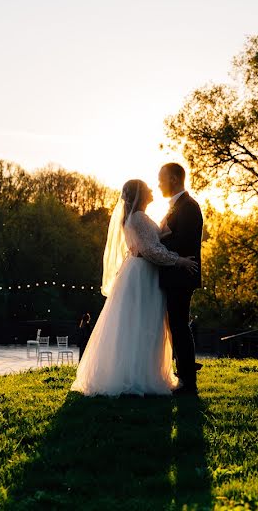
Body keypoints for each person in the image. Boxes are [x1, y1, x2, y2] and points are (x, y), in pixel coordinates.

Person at [70, 179, 199, 397]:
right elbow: (150, 250)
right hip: (142, 273)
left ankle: (138, 372)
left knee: (138, 323)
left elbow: (154, 240)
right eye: (147, 188)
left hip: (137, 271)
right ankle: (138, 376)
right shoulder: (138, 218)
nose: (152, 189)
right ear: (139, 194)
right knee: (143, 323)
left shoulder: (136, 218)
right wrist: (180, 261)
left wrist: (167, 229)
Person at [157, 163, 204, 395]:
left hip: (182, 276)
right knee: (176, 326)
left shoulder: (189, 207)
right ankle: (185, 373)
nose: (158, 184)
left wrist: (156, 244)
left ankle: (188, 381)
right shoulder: (178, 206)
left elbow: (182, 243)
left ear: (174, 179)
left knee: (179, 327)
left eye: (161, 179)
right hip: (175, 275)